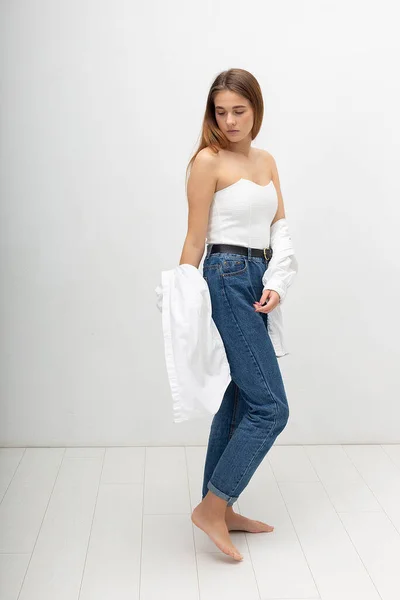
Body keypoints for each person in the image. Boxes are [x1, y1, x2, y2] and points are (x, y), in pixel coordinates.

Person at [179, 68, 297, 562]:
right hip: (224, 278)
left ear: (256, 109)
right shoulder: (207, 162)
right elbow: (193, 238)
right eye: (220, 111)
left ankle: (221, 509)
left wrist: (277, 284)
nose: (228, 120)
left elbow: (281, 230)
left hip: (257, 278)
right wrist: (185, 299)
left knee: (239, 399)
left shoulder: (267, 161)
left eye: (238, 110)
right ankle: (213, 504)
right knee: (271, 407)